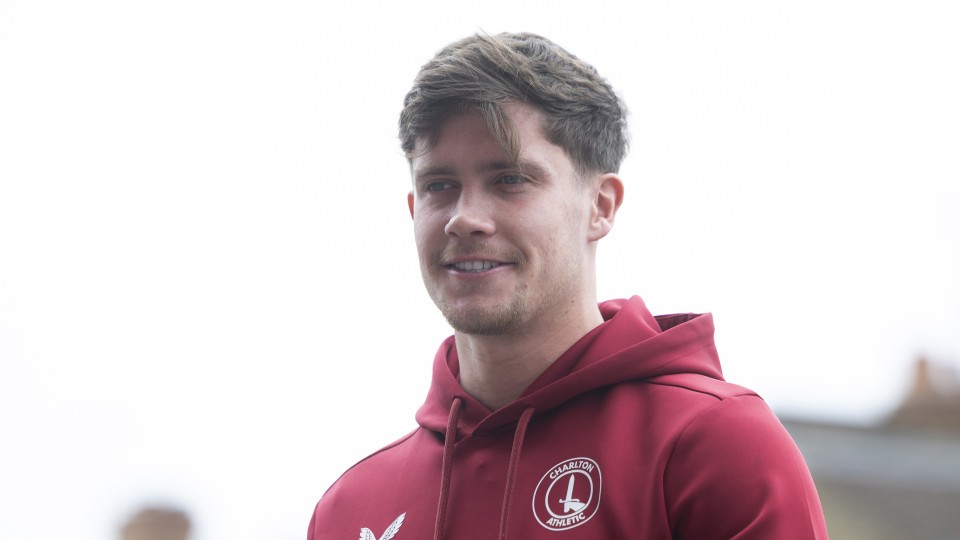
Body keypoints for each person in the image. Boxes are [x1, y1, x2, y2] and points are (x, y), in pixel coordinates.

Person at [307, 32, 828, 539]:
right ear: (414, 209)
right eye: (440, 185)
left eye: (510, 179)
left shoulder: (713, 444)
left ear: (600, 207)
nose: (464, 218)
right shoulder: (349, 509)